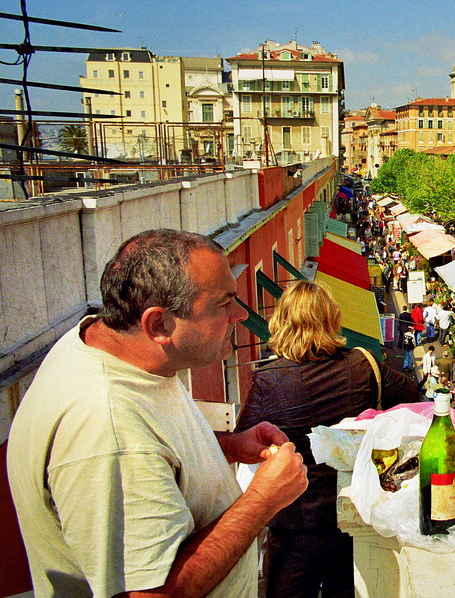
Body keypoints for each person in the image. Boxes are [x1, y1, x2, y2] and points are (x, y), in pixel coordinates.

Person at [7, 229, 309, 597]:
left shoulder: (113, 347)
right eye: (222, 304)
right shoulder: (107, 429)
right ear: (158, 325)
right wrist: (262, 501)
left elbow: (153, 448)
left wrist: (228, 446)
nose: (240, 314)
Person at [237, 280, 422, 597]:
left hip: (295, 523)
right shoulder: (363, 365)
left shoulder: (269, 381)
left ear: (281, 322)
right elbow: (410, 395)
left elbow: (244, 444)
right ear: (332, 319)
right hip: (354, 515)